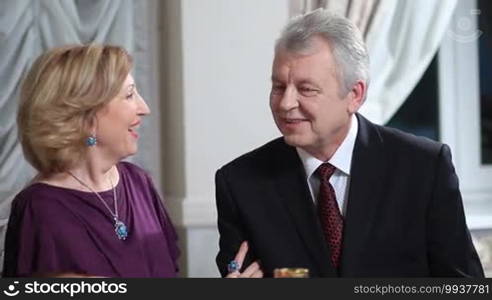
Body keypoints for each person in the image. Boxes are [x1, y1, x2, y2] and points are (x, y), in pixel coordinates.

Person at [215, 9, 485, 277]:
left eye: (306, 89)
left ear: (355, 95)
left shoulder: (424, 168)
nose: (285, 103)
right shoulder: (239, 183)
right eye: (278, 87)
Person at [3, 44, 179, 277]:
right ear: (86, 114)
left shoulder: (139, 183)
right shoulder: (39, 208)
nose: (144, 108)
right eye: (129, 95)